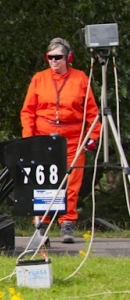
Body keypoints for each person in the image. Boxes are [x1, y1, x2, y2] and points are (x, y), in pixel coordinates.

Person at [20, 37, 101, 243]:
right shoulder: (39, 78)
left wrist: (93, 136)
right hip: (43, 136)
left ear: (68, 58)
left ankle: (67, 224)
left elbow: (92, 112)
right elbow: (28, 111)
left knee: (72, 183)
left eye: (58, 57)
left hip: (73, 138)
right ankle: (41, 225)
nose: (54, 61)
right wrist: (28, 138)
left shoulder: (81, 78)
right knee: (44, 180)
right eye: (50, 57)